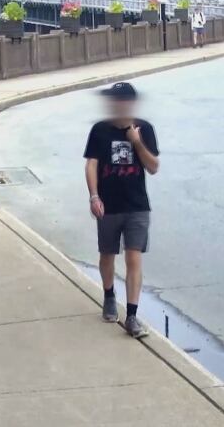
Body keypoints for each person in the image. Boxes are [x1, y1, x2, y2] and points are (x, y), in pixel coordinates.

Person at [83, 82, 160, 338]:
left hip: (137, 205)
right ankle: (108, 295)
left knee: (133, 257)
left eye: (117, 101)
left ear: (128, 103)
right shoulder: (100, 130)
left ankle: (133, 316)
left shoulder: (144, 129)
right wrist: (94, 196)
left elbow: (153, 167)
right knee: (107, 255)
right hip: (108, 205)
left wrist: (136, 142)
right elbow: (91, 165)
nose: (113, 105)